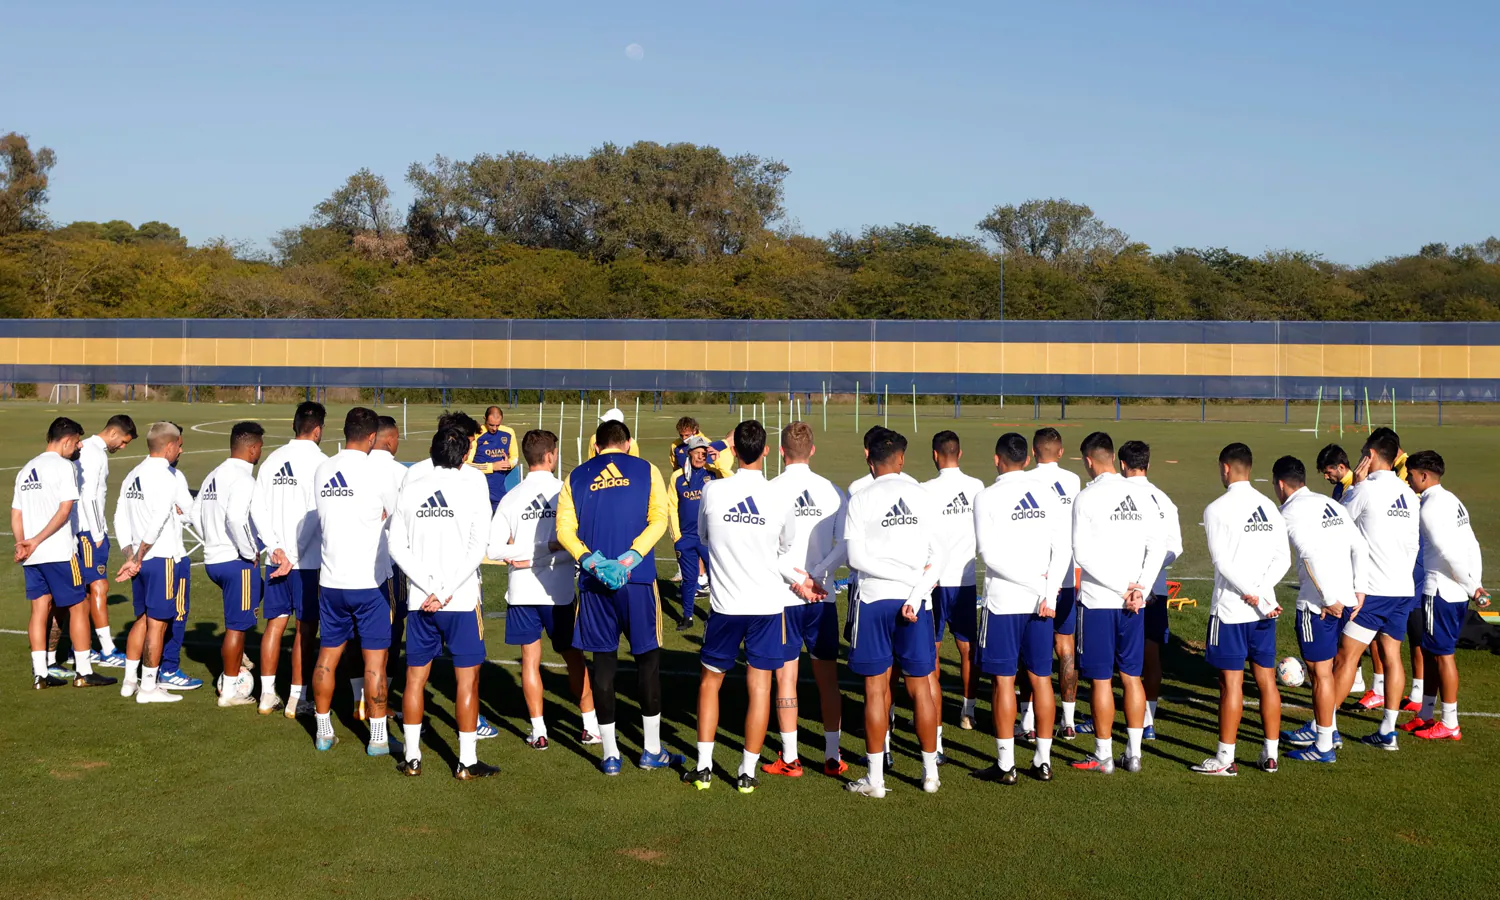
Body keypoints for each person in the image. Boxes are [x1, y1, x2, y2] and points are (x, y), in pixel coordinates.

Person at [682, 420, 808, 793]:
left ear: (733, 450)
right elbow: (785, 546)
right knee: (760, 688)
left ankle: (704, 767)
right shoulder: (778, 497)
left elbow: (704, 537)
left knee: (710, 684)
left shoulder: (713, 491)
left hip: (725, 606)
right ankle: (747, 773)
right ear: (766, 451)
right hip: (767, 606)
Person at [556, 418, 678, 775]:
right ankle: (651, 750)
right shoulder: (646, 469)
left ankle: (610, 755)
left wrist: (589, 559)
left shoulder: (575, 476)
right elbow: (659, 518)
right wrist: (633, 556)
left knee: (604, 665)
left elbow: (564, 529)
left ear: (596, 446)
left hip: (594, 585)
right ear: (627, 444)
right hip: (637, 580)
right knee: (647, 662)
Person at [843, 429, 947, 798]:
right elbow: (939, 559)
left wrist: (896, 577)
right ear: (901, 459)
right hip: (915, 603)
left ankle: (875, 780)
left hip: (873, 601)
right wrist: (914, 590)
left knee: (875, 689)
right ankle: (930, 774)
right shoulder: (923, 495)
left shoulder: (861, 497)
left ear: (871, 461)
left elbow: (855, 560)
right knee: (921, 689)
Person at [390, 427, 496, 779]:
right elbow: (478, 547)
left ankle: (412, 757)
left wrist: (428, 587)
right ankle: (466, 761)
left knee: (415, 679)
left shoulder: (410, 487)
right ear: (466, 455)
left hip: (421, 602)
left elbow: (396, 547)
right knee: (467, 682)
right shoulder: (473, 486)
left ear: (432, 452)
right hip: (461, 601)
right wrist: (447, 588)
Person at [488, 429, 600, 749]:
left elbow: (495, 550)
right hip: (559, 593)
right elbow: (577, 545)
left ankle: (539, 732)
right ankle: (589, 726)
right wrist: (548, 547)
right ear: (551, 456)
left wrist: (527, 553)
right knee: (574, 659)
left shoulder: (511, 497)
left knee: (529, 661)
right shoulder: (566, 492)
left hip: (523, 592)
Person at [973, 432, 1069, 783]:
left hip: (1003, 603)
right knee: (1042, 679)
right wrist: (1049, 593)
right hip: (1041, 605)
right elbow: (1064, 548)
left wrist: (1038, 588)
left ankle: (1005, 765)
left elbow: (989, 556)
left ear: (997, 459)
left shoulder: (986, 497)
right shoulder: (1047, 493)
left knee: (1004, 682)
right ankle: (1042, 761)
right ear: (1027, 458)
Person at [1191, 443, 1291, 776]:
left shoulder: (1216, 509)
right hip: (1264, 611)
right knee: (1266, 682)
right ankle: (1271, 755)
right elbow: (1284, 559)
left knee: (1230, 685)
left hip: (1232, 611)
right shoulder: (1269, 506)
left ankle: (1224, 758)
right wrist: (1262, 593)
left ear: (1225, 468)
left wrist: (1249, 592)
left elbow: (1222, 562)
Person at [1068, 431, 1165, 774]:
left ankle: (1103, 755)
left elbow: (1081, 555)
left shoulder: (1086, 498)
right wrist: (1141, 589)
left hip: (1098, 602)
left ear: (1090, 461)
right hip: (1134, 604)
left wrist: (1121, 587)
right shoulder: (1143, 495)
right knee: (1131, 677)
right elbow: (1158, 546)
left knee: (1100, 680)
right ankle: (1134, 755)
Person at [310, 408, 400, 754]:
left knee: (328, 656)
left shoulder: (323, 469)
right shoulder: (378, 471)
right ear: (373, 437)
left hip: (331, 580)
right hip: (369, 582)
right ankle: (377, 738)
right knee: (375, 660)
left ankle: (323, 731)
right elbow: (395, 518)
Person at [1326, 430, 1421, 750]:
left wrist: (1359, 483)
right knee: (1392, 656)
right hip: (1402, 588)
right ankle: (1387, 730)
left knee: (1345, 656)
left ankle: (1327, 728)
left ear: (1369, 453)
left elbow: (1339, 522)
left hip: (1373, 589)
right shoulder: (1409, 493)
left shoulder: (1364, 490)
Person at [767, 421, 848, 777]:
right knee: (828, 679)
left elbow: (767, 547)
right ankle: (832, 756)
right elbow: (845, 544)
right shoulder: (832, 491)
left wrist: (797, 579)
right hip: (822, 598)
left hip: (783, 597)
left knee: (786, 679)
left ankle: (790, 757)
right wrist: (817, 575)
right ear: (812, 450)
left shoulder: (770, 490)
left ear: (782, 451)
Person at [1275, 455, 1367, 763]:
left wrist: (1327, 598)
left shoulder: (1289, 512)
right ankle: (1330, 729)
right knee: (1331, 668)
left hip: (1319, 606)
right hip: (1348, 600)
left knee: (1320, 673)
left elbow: (1308, 554)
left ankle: (1324, 745)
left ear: (1280, 484)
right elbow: (1360, 545)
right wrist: (1360, 588)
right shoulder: (1329, 504)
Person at [13, 417, 114, 689]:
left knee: (39, 610)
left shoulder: (27, 469)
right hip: (58, 551)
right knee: (79, 605)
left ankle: (41, 674)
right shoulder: (64, 466)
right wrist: (35, 541)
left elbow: (16, 512)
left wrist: (23, 543)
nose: (79, 445)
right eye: (78, 440)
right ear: (67, 440)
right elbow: (65, 511)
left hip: (32, 556)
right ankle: (83, 671)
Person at [250, 401, 328, 716]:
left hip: (277, 559)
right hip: (305, 562)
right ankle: (297, 697)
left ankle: (267, 694)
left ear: (294, 425)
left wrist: (274, 548)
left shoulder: (272, 460)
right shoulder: (322, 463)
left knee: (275, 624)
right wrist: (292, 555)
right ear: (319, 429)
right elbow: (315, 515)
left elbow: (257, 508)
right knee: (305, 629)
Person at [1404, 450, 1487, 741]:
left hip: (1439, 591)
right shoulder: (1452, 500)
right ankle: (1426, 714)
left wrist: (1471, 586)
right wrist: (1473, 582)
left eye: (1410, 474)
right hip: (1453, 591)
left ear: (1424, 476)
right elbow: (1471, 542)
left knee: (1442, 656)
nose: (1408, 479)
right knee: (1431, 653)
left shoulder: (1429, 508)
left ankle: (1450, 722)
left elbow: (1448, 551)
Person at [114, 422, 194, 703]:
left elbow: (119, 517)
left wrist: (130, 557)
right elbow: (160, 519)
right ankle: (148, 688)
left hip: (140, 560)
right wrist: (139, 555)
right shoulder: (167, 477)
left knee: (143, 620)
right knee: (158, 624)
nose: (181, 449)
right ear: (169, 446)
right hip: (161, 560)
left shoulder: (133, 474)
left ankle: (129, 681)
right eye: (180, 445)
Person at [919, 430, 983, 761]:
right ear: (961, 453)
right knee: (966, 648)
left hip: (933, 581)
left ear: (935, 455)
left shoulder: (924, 490)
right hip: (965, 579)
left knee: (931, 651)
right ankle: (968, 711)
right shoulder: (976, 488)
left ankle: (937, 725)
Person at [193, 422, 266, 708]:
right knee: (236, 627)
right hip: (236, 562)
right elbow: (235, 519)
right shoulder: (244, 479)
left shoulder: (215, 473)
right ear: (251, 448)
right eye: (259, 447)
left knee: (243, 616)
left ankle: (238, 660)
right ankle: (230, 691)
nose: (260, 452)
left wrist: (211, 540)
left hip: (213, 559)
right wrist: (249, 553)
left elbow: (196, 512)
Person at [1119, 440, 1181, 741]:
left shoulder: (1115, 496)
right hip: (1154, 589)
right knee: (1151, 654)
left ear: (1121, 465)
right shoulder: (1163, 500)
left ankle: (1102, 717)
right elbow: (1175, 548)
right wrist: (1151, 570)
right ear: (1148, 464)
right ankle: (1148, 720)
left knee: (1115, 658)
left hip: (1119, 589)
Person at [1025, 427, 1083, 739]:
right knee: (1066, 646)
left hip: (1036, 577)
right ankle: (1069, 721)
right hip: (1067, 575)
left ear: (1034, 452)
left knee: (1032, 649)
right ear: (1060, 452)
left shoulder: (1027, 481)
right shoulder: (1073, 480)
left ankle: (1028, 721)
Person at [353, 415, 409, 720]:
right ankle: (379, 698)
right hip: (388, 563)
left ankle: (355, 697)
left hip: (347, 563)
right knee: (389, 631)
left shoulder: (352, 466)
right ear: (389, 439)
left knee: (353, 633)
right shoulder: (399, 473)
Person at [75, 414, 137, 667]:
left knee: (85, 590)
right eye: (122, 442)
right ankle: (108, 650)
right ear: (112, 433)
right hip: (89, 531)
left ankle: (82, 647)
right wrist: (99, 534)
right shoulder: (95, 453)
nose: (121, 448)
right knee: (99, 586)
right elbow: (89, 496)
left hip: (83, 529)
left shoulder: (87, 450)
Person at [1318, 441, 1372, 698]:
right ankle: (1357, 677)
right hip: (1344, 562)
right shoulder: (1342, 486)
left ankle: (1363, 679)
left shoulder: (1358, 487)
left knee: (1354, 626)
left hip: (1355, 566)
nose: (1326, 476)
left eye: (1328, 471)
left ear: (1341, 466)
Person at [667, 435, 719, 630]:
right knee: (689, 579)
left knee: (716, 577)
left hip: (709, 537)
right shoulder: (677, 477)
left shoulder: (713, 473)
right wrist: (676, 536)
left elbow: (730, 476)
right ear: (689, 454)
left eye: (704, 453)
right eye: (697, 453)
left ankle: (716, 614)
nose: (700, 457)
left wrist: (717, 459)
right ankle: (687, 617)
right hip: (685, 538)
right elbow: (671, 506)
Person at [473, 406, 519, 511]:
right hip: (479, 491)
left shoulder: (509, 433)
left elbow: (515, 457)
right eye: (491, 425)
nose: (494, 428)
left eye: (497, 425)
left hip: (498, 492)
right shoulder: (476, 434)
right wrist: (492, 466)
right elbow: (467, 464)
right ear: (484, 419)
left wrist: (509, 464)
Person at [668, 416, 734, 479]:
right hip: (682, 481)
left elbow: (711, 465)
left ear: (694, 430)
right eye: (681, 435)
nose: (684, 438)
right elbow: (674, 465)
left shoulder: (706, 443)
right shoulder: (675, 445)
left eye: (687, 435)